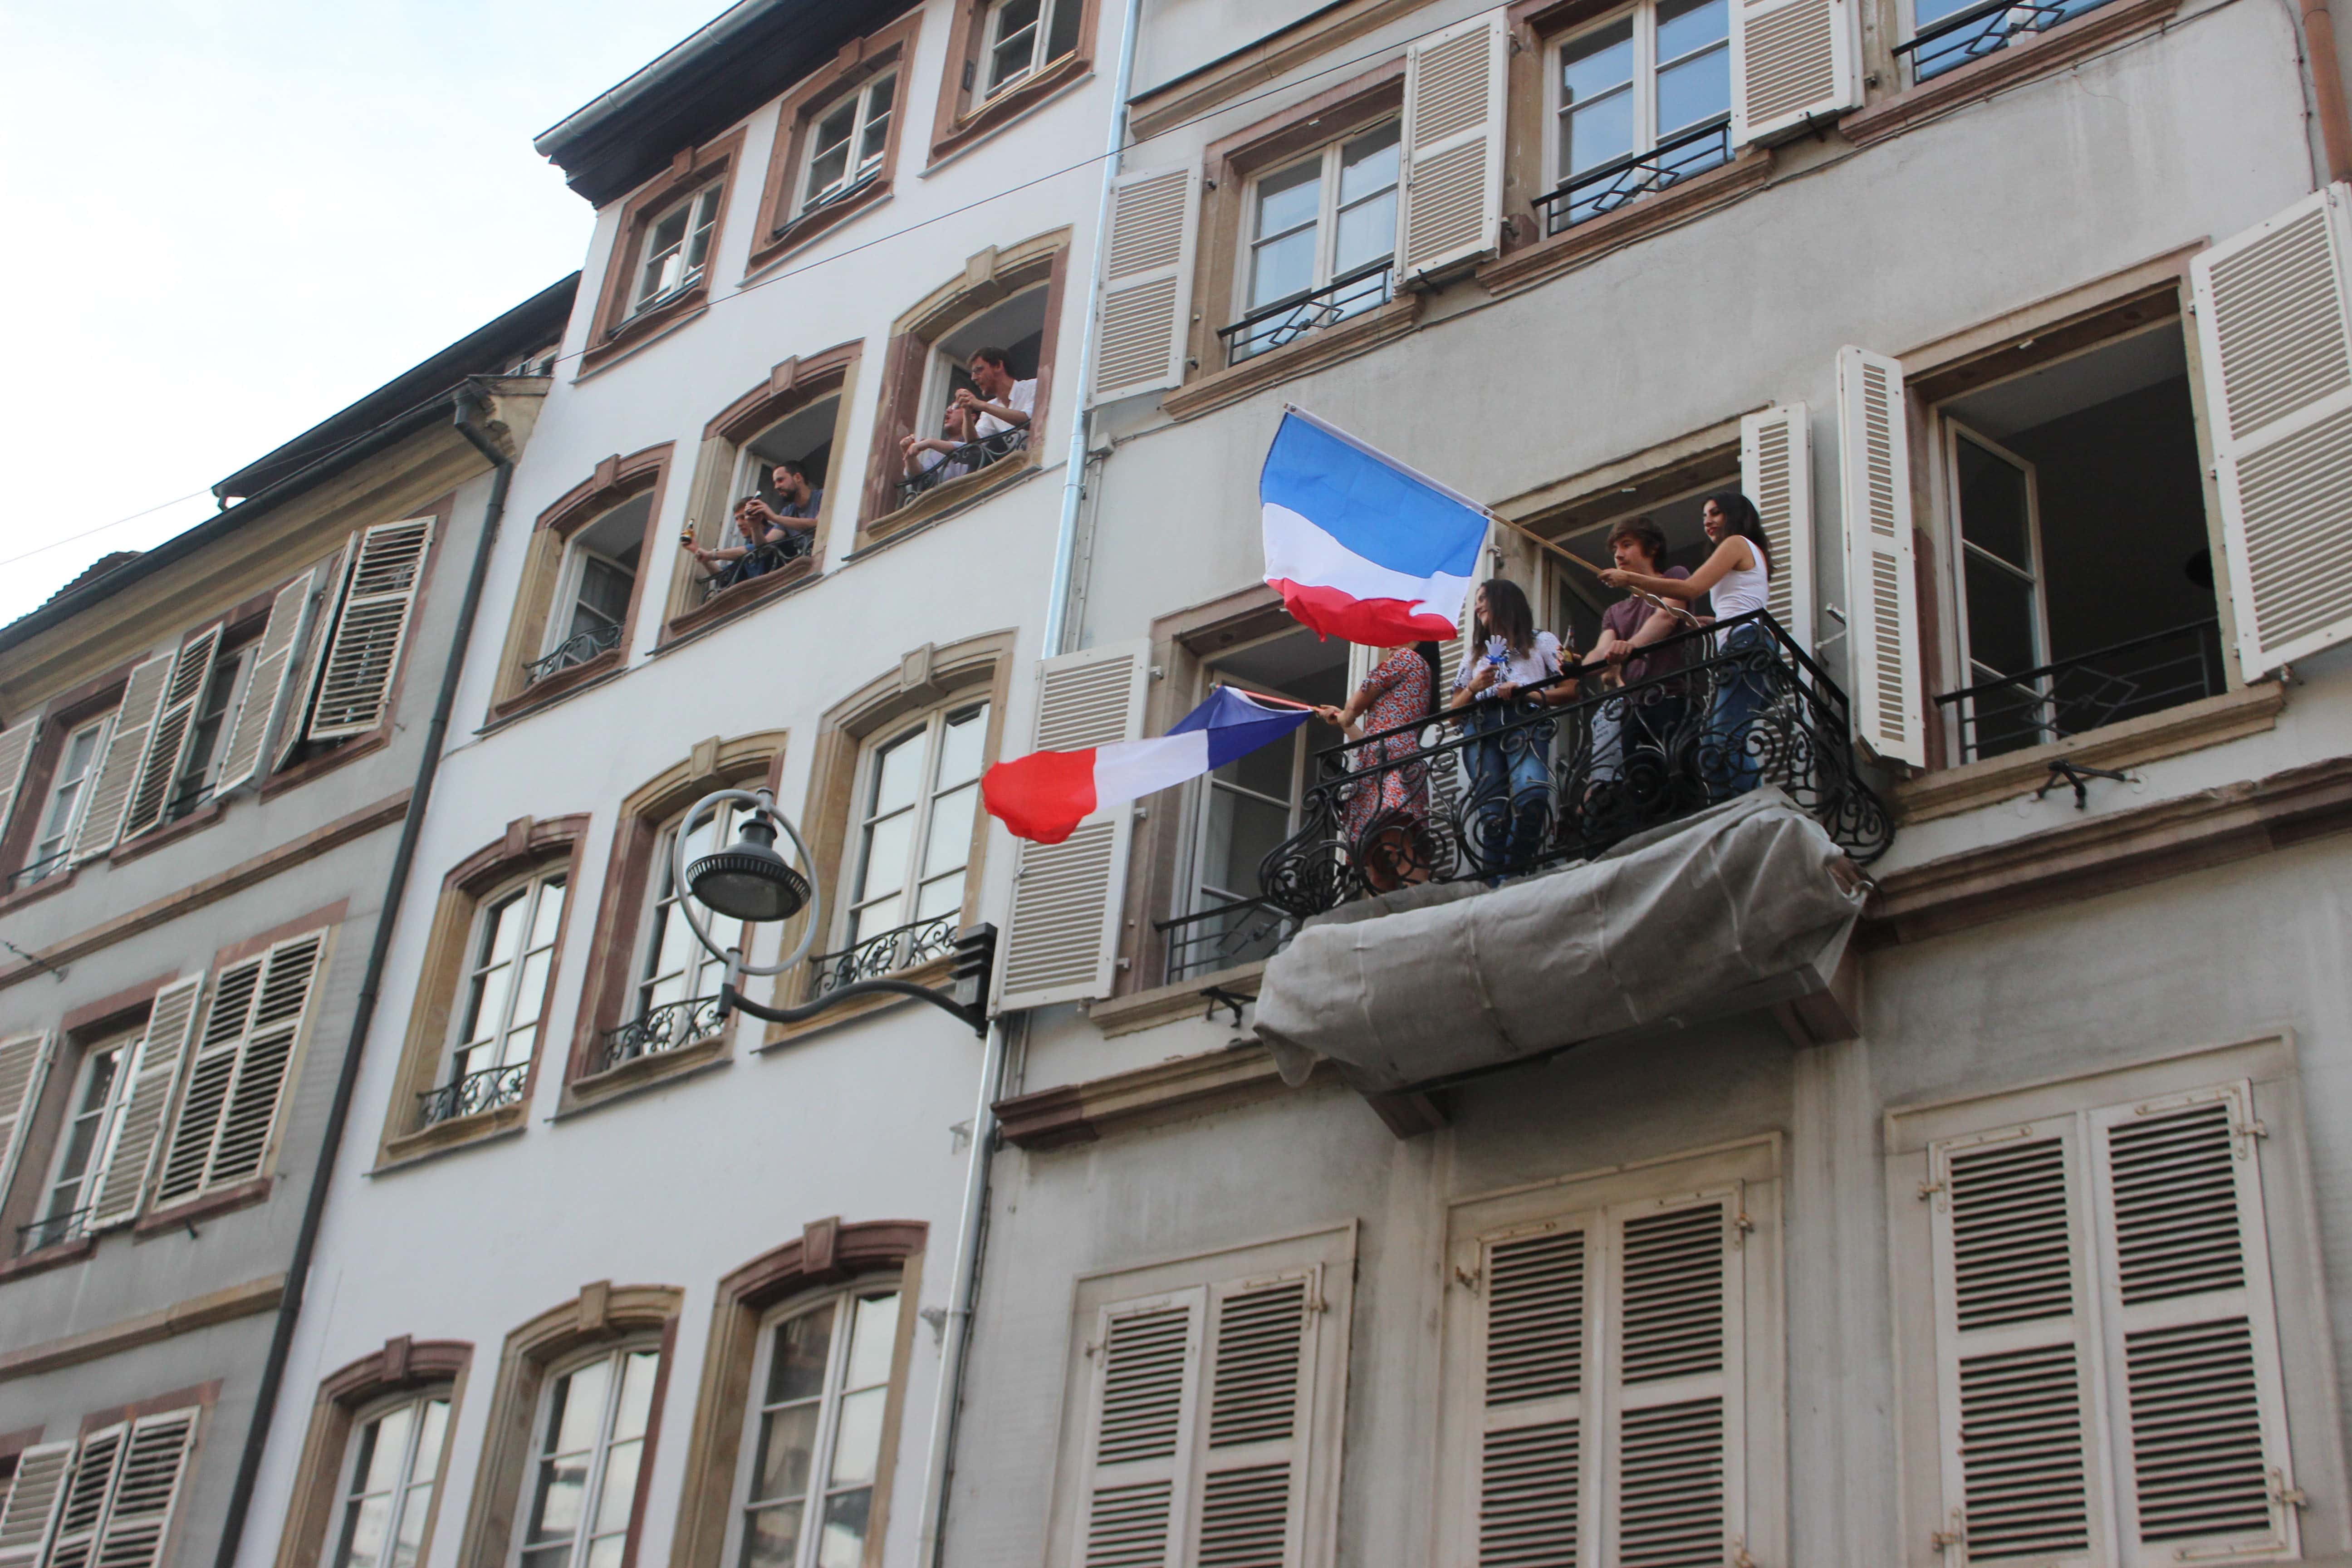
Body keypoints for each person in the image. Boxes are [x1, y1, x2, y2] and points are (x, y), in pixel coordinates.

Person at [1599, 492, 1775, 799]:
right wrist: (1707, 622)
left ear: (1736, 515)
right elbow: (1740, 604)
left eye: (1716, 513)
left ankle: (1748, 804)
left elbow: (1691, 587)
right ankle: (1743, 803)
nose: (1708, 520)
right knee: (1722, 740)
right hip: (1745, 641)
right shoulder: (1748, 551)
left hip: (1744, 642)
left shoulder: (1735, 543)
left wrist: (1630, 579)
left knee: (1722, 740)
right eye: (1705, 515)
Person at [1569, 519, 1693, 806]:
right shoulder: (1616, 611)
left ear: (1652, 549)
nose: (1618, 555)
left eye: (1627, 545)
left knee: (1676, 784)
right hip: (1633, 709)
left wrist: (1632, 646)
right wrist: (1578, 666)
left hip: (1670, 698)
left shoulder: (1674, 576)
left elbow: (1667, 615)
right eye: (1615, 548)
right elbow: (1602, 653)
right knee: (1643, 791)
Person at [1446, 578, 1563, 877]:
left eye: (1484, 597)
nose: (1478, 605)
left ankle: (1513, 870)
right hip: (1481, 727)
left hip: (1523, 719)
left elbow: (1573, 689)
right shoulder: (1473, 655)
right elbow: (1453, 717)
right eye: (1477, 600)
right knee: (1493, 816)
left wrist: (1529, 693)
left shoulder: (1542, 641)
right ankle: (1497, 884)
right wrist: (1474, 686)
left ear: (1505, 599)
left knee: (1532, 797)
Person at [1313, 643, 1436, 892]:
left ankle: (1426, 902)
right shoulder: (1417, 667)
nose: (1390, 645)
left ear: (1417, 639)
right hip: (1380, 763)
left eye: (1397, 636)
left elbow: (1355, 707)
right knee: (1378, 862)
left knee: (1396, 846)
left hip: (1391, 764)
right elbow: (1367, 741)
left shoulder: (1405, 658)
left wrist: (1346, 715)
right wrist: (1342, 720)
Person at [684, 496, 793, 590]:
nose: (739, 524)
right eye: (737, 519)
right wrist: (697, 551)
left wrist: (712, 555)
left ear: (760, 516)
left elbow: (754, 550)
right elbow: (725, 578)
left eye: (743, 517)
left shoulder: (776, 533)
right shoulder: (747, 548)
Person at [955, 348, 1034, 461]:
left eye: (979, 370)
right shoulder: (989, 409)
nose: (973, 378)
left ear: (998, 366)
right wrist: (967, 412)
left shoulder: (1033, 386)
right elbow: (974, 444)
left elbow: (1029, 421)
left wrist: (982, 406)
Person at [901, 401, 975, 485]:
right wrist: (910, 456)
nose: (948, 411)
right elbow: (921, 478)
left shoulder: (980, 435)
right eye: (948, 408)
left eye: (956, 407)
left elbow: (974, 449)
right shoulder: (936, 455)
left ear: (972, 417)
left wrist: (931, 443)